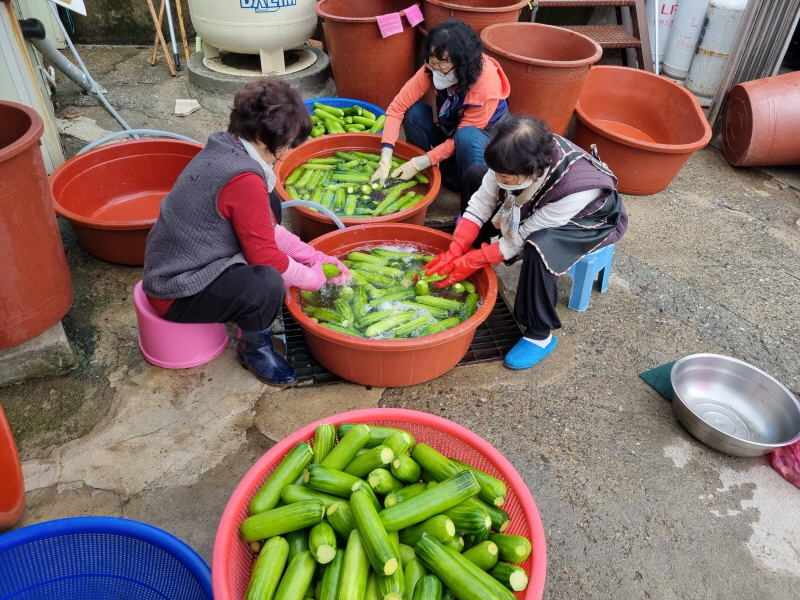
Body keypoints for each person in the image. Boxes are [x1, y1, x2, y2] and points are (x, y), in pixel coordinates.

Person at [142, 78, 349, 387]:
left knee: (271, 202)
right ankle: (254, 348)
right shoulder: (243, 178)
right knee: (267, 284)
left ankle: (250, 319)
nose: (286, 151)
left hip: (185, 259)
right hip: (176, 290)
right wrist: (313, 279)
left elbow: (267, 229)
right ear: (263, 138)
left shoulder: (226, 145)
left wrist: (313, 256)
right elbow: (266, 258)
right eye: (286, 143)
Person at [423, 115, 629, 370]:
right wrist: (459, 246)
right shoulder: (511, 156)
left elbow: (521, 237)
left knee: (538, 247)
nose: (499, 178)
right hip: (541, 201)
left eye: (506, 176)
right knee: (475, 174)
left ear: (534, 171)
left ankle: (539, 335)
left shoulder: (577, 189)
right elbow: (482, 200)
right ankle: (473, 250)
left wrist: (477, 259)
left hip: (588, 219)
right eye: (498, 173)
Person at [372, 18, 510, 193]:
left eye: (442, 67)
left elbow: (461, 135)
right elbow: (397, 107)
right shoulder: (431, 68)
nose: (436, 71)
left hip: (484, 141)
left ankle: (473, 190)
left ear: (462, 64)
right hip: (452, 130)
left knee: (466, 138)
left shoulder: (485, 84)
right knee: (414, 113)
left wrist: (420, 162)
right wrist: (385, 158)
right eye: (432, 63)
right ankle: (425, 174)